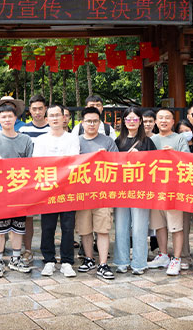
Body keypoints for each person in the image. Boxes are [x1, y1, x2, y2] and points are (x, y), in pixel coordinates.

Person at [0, 104, 35, 277]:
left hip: (20, 191)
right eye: (3, 117)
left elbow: (31, 165)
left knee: (18, 227)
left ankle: (15, 258)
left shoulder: (26, 140)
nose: (7, 119)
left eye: (10, 116)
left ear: (16, 118)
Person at [33, 104, 80, 277]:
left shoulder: (72, 139)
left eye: (57, 115)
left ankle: (67, 261)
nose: (54, 118)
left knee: (68, 227)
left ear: (64, 117)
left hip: (68, 188)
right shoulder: (41, 140)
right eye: (51, 116)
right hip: (48, 189)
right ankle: (49, 260)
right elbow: (38, 163)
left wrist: (55, 164)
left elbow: (73, 161)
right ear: (47, 119)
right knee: (48, 226)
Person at [75, 106, 117, 279]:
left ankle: (103, 263)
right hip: (82, 193)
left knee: (102, 229)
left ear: (100, 123)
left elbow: (117, 165)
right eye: (88, 121)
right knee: (85, 230)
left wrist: (106, 158)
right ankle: (89, 259)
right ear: (82, 123)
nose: (91, 124)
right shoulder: (75, 142)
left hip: (102, 194)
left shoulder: (108, 142)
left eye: (95, 121)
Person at [113, 107, 156, 275]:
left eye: (135, 119)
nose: (131, 122)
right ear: (124, 122)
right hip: (121, 191)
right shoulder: (118, 142)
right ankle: (122, 261)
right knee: (121, 227)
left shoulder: (148, 142)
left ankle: (139, 263)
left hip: (141, 190)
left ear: (140, 122)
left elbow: (156, 165)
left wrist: (141, 157)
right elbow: (111, 165)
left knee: (139, 228)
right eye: (128, 119)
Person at [148, 108, 189, 275]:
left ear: (173, 121)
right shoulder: (151, 140)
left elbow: (188, 160)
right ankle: (163, 254)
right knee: (159, 225)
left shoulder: (179, 139)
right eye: (161, 118)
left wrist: (173, 154)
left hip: (174, 190)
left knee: (176, 226)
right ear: (156, 122)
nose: (164, 121)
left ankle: (177, 259)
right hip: (156, 190)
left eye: (167, 118)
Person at [18, 94, 50, 265]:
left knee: (49, 216)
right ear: (29, 110)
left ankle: (49, 250)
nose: (37, 112)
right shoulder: (23, 130)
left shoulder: (53, 128)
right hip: (30, 179)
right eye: (34, 109)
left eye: (40, 108)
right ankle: (28, 250)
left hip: (51, 178)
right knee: (28, 216)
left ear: (45, 109)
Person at [176, 117, 193, 269]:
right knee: (183, 225)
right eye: (181, 131)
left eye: (187, 130)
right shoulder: (175, 148)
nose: (185, 133)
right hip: (182, 193)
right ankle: (184, 256)